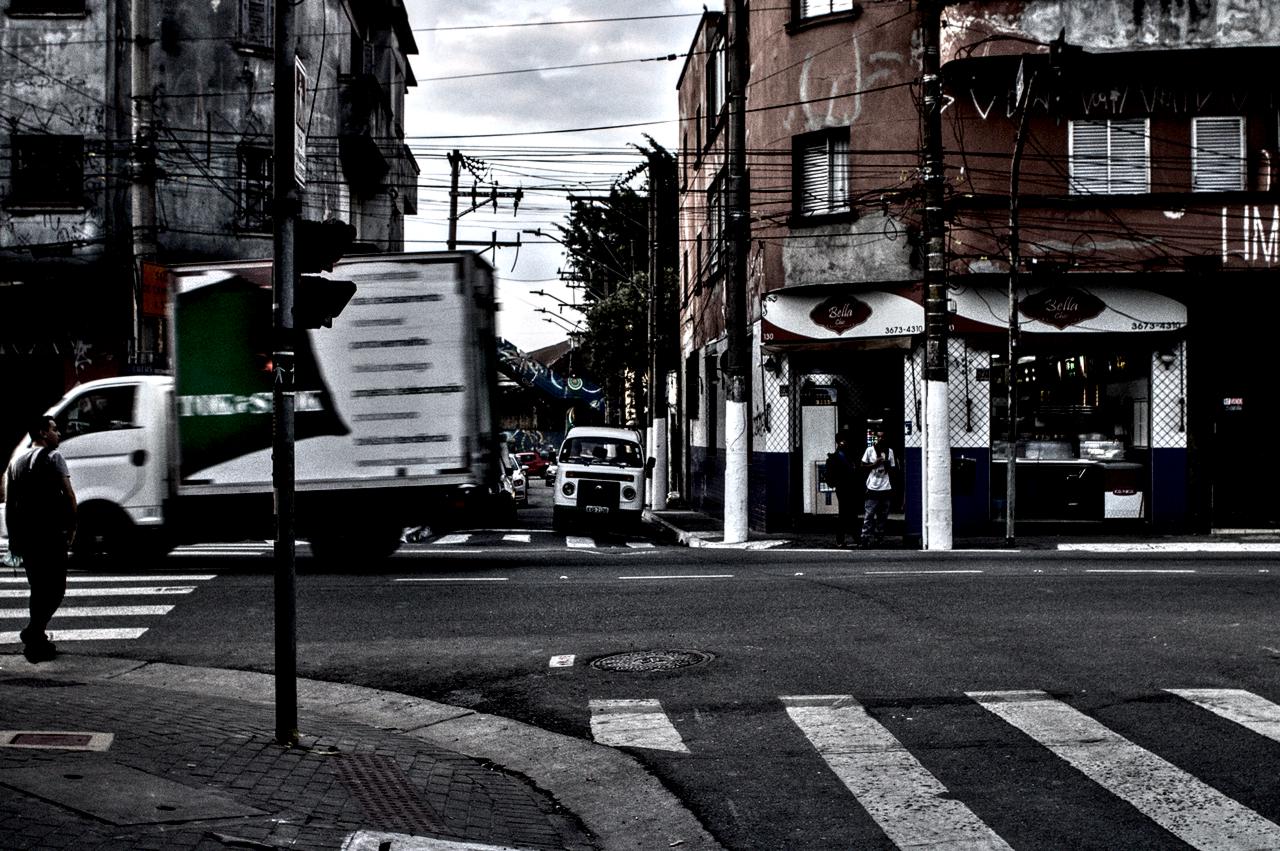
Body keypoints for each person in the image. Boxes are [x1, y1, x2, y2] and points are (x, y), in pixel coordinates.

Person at [3, 415, 77, 663]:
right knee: (56, 588)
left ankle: (36, 637)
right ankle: (34, 633)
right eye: (54, 430)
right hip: (51, 535)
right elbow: (69, 496)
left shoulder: (15, 462)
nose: (59, 434)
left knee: (38, 588)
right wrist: (72, 528)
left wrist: (14, 540)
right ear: (43, 433)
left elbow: (10, 505)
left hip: (27, 537)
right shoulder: (54, 457)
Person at [859, 431, 896, 548]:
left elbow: (893, 470)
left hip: (885, 487)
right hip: (873, 487)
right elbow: (862, 466)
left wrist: (887, 464)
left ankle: (879, 538)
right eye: (878, 437)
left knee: (883, 516)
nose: (880, 439)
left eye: (882, 437)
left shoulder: (890, 451)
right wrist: (874, 464)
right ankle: (865, 538)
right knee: (869, 514)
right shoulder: (870, 450)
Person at [826, 431, 860, 548]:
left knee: (846, 513)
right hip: (844, 487)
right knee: (848, 513)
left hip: (845, 487)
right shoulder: (842, 457)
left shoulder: (839, 457)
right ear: (838, 442)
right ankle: (852, 538)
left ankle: (843, 539)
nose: (844, 443)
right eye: (842, 441)